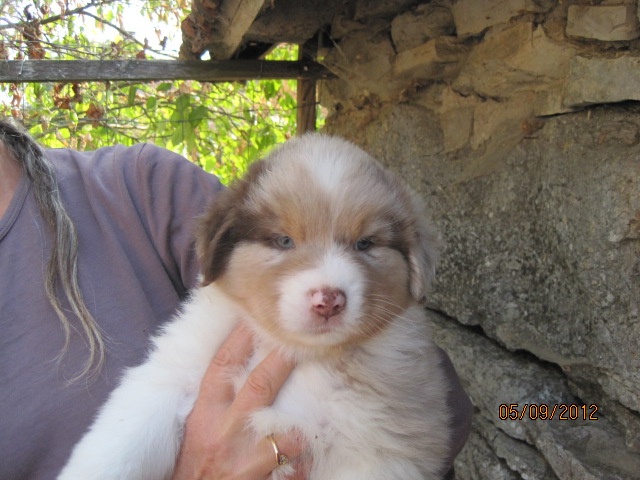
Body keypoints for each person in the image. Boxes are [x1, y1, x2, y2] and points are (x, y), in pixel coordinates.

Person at [0, 119, 471, 479]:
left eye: (365, 244)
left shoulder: (137, 184)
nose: (327, 288)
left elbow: (411, 447)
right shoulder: (218, 313)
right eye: (284, 241)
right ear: (220, 247)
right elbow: (158, 396)